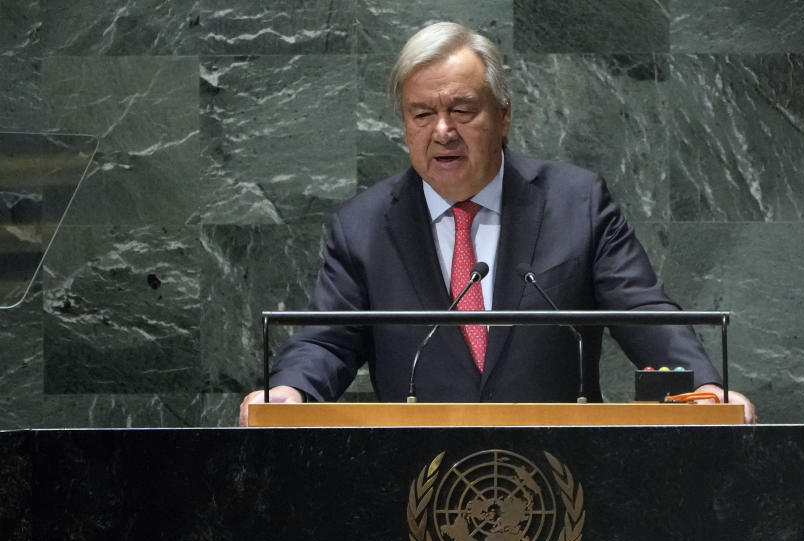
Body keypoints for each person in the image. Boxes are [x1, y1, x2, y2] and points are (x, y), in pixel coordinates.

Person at [239, 21, 756, 425]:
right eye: (422, 114)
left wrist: (704, 388)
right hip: (417, 484)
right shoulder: (363, 227)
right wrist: (290, 391)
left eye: (462, 109)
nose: (443, 131)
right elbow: (327, 340)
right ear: (403, 126)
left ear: (503, 116)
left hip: (564, 476)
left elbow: (643, 312)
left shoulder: (575, 203)